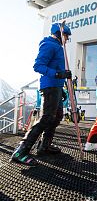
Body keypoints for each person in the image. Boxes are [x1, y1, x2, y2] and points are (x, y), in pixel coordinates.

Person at [10, 22, 72, 166]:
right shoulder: (49, 45)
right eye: (66, 36)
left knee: (57, 117)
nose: (67, 39)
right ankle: (20, 151)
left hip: (55, 87)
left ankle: (44, 146)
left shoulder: (58, 47)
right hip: (49, 87)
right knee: (46, 118)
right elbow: (38, 66)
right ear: (59, 34)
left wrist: (60, 87)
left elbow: (56, 68)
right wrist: (58, 74)